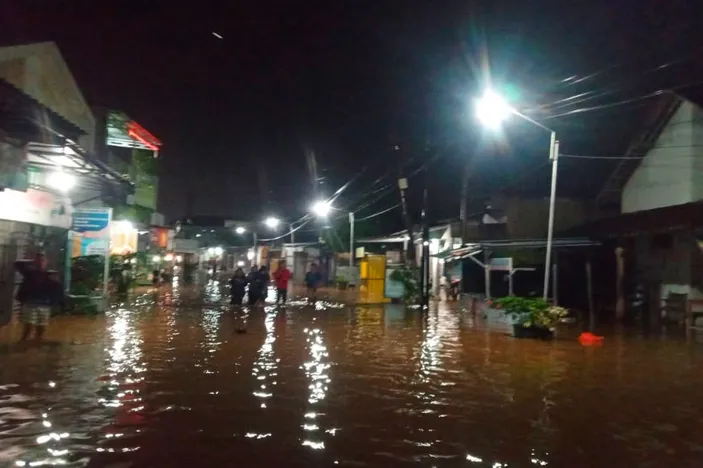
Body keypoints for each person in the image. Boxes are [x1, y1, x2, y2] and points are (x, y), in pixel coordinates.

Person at [15, 253, 61, 341]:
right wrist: (32, 262)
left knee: (41, 327)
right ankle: (22, 343)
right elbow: (17, 264)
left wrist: (54, 303)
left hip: (45, 305)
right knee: (28, 326)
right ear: (34, 262)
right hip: (30, 304)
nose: (40, 263)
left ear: (46, 262)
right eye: (38, 261)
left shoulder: (50, 275)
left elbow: (57, 289)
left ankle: (36, 344)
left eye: (42, 260)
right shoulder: (29, 273)